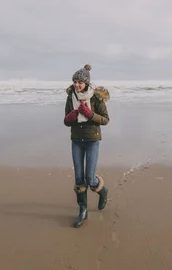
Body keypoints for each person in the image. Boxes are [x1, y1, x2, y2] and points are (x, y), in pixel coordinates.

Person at [63, 64, 110, 228]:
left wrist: (90, 114)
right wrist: (73, 115)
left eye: (79, 82)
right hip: (76, 141)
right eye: (75, 82)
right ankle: (83, 210)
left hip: (92, 141)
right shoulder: (71, 97)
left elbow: (105, 119)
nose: (76, 85)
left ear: (87, 83)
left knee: (90, 179)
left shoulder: (96, 98)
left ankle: (103, 191)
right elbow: (66, 121)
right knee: (78, 179)